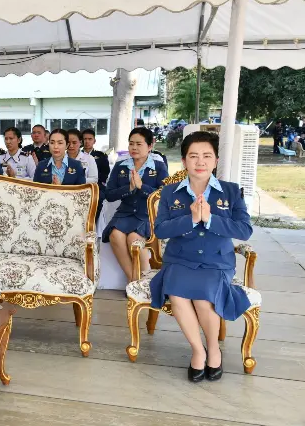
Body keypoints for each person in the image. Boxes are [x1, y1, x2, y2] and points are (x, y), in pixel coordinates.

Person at [149, 131, 252, 382]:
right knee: (177, 293)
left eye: (207, 155)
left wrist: (210, 219)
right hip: (180, 259)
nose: (200, 161)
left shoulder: (231, 192)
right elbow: (160, 230)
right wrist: (192, 219)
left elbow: (244, 230)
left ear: (216, 160)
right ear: (184, 161)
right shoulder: (170, 192)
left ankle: (214, 349)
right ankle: (198, 350)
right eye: (193, 156)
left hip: (217, 261)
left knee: (205, 298)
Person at [102, 127, 169, 283]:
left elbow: (164, 196)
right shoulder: (120, 166)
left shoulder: (159, 167)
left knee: (134, 239)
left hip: (147, 214)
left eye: (139, 144)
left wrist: (141, 187)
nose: (134, 147)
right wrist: (129, 188)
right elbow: (109, 195)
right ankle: (133, 280)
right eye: (131, 143)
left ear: (150, 146)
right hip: (125, 213)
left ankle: (145, 281)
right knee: (115, 235)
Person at [82, 128, 110, 219]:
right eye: (85, 139)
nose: (87, 141)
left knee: (98, 199)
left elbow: (105, 173)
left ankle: (93, 222)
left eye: (90, 139)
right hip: (80, 184)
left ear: (94, 141)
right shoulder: (77, 155)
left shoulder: (101, 156)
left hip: (97, 185)